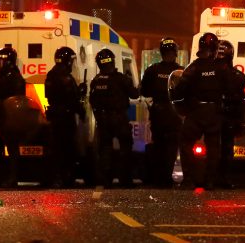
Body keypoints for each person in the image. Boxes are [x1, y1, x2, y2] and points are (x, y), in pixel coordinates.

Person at [175, 33, 226, 189]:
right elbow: (231, 88)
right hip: (214, 112)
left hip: (196, 112)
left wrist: (185, 106)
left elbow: (179, 90)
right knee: (214, 148)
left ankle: (189, 180)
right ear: (215, 49)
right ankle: (210, 181)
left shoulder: (193, 67)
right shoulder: (221, 68)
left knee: (186, 144)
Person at [88, 48, 139, 187]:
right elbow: (135, 94)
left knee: (105, 150)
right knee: (125, 149)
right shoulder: (121, 79)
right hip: (119, 118)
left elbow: (92, 101)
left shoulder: (96, 81)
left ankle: (106, 180)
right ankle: (125, 180)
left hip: (103, 120)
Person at [140, 38, 184, 188]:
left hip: (158, 114)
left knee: (159, 145)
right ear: (175, 53)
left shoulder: (152, 70)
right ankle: (166, 178)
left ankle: (157, 178)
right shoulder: (181, 72)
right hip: (174, 114)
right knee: (171, 147)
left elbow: (144, 90)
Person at [45, 46, 86, 187]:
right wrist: (82, 112)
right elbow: (72, 100)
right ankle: (66, 177)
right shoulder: (67, 78)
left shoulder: (50, 75)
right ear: (68, 61)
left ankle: (54, 178)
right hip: (65, 118)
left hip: (53, 116)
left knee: (55, 148)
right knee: (68, 148)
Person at [0, 43, 26, 187]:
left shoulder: (13, 77)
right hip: (2, 118)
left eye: (1, 61)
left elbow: (11, 98)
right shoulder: (6, 75)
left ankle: (12, 177)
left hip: (9, 119)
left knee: (12, 150)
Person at [216, 39, 245, 188]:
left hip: (213, 117)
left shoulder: (208, 71)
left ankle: (210, 178)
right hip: (229, 118)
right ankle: (225, 179)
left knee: (213, 147)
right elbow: (240, 98)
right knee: (227, 149)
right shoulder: (238, 76)